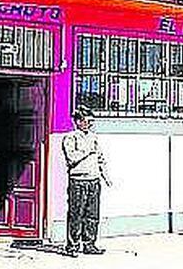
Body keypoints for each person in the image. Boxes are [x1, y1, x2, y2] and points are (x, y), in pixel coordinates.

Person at [62, 107, 111, 256]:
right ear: (78, 121)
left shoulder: (93, 137)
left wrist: (105, 176)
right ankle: (72, 246)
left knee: (92, 215)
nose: (90, 124)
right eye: (87, 121)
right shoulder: (70, 138)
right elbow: (71, 158)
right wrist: (87, 150)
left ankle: (89, 244)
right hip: (78, 181)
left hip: (94, 180)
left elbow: (100, 158)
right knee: (76, 214)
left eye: (91, 121)